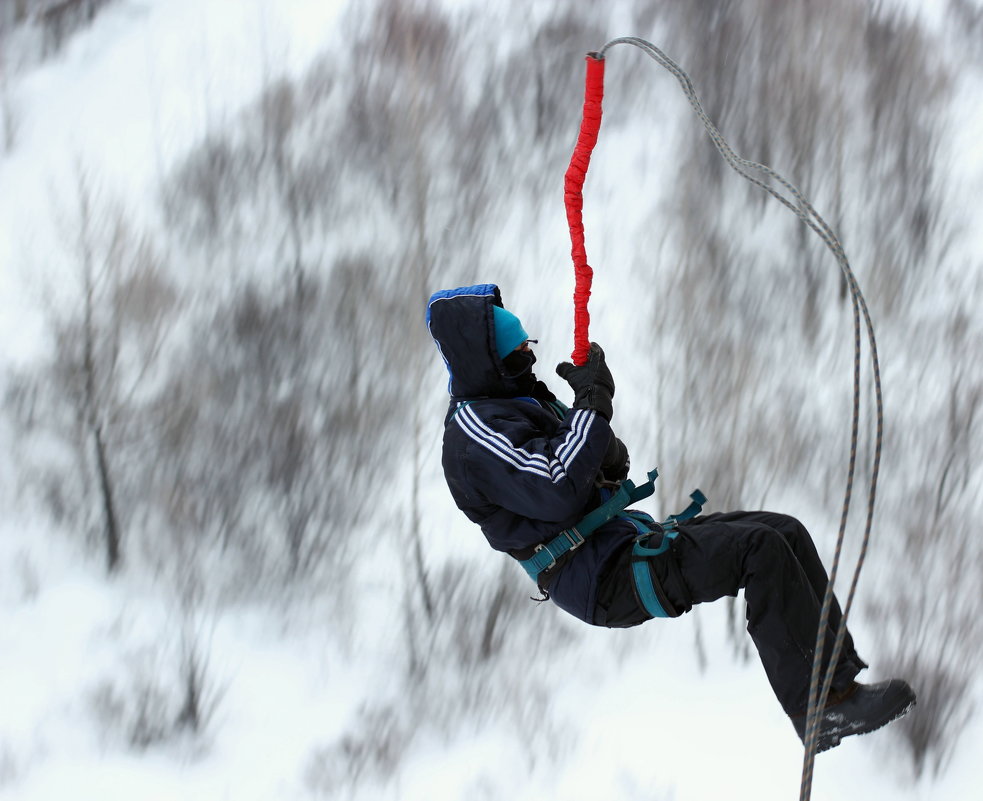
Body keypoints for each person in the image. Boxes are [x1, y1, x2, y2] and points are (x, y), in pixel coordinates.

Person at [427, 283, 915, 752]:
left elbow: (597, 466)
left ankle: (839, 684)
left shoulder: (521, 404)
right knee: (758, 552)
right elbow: (556, 486)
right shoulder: (473, 436)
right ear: (488, 359)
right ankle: (821, 709)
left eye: (529, 345)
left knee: (782, 531)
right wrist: (592, 410)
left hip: (623, 543)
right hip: (601, 577)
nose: (530, 356)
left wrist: (595, 430)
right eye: (518, 351)